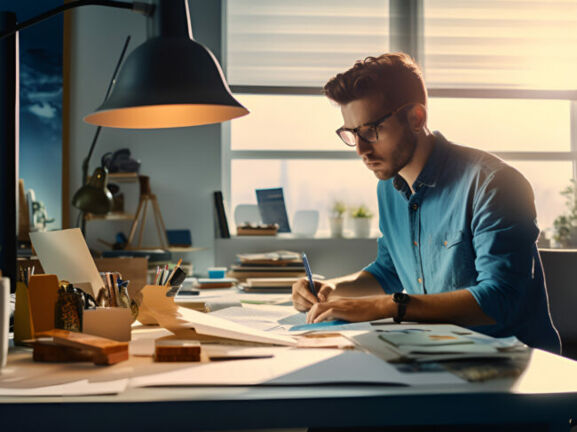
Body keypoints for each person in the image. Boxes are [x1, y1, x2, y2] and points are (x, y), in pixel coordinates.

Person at [291, 53, 560, 353]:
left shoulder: (494, 184)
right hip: (438, 354)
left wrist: (387, 307)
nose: (361, 149)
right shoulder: (389, 188)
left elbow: (500, 299)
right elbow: (387, 270)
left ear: (416, 118)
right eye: (352, 134)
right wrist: (333, 289)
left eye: (370, 131)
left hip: (513, 365)